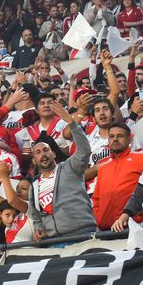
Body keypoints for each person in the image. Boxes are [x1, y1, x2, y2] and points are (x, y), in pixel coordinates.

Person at [26, 100, 97, 240]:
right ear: (34, 160)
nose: (43, 154)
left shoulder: (69, 167)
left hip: (83, 234)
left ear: (53, 154)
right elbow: (36, 216)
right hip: (55, 241)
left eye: (46, 150)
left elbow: (84, 151)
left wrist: (71, 122)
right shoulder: (33, 186)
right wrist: (39, 229)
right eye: (38, 152)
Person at [88, 123, 143, 230]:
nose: (115, 139)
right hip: (106, 230)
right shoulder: (103, 167)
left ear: (129, 140)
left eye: (120, 136)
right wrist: (99, 219)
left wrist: (140, 214)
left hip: (135, 226)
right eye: (111, 136)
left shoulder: (142, 159)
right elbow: (96, 199)